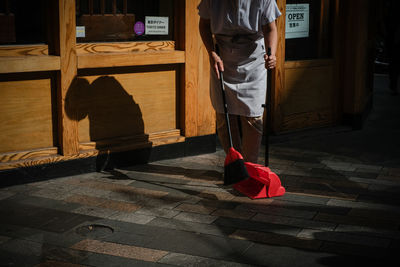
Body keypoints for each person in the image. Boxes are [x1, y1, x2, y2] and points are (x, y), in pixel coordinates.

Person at [198, 0, 281, 163]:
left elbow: (270, 28)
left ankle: (250, 166)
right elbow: (204, 25)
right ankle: (235, 163)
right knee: (224, 114)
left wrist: (272, 54)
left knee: (253, 116)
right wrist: (211, 53)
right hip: (222, 58)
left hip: (253, 60)